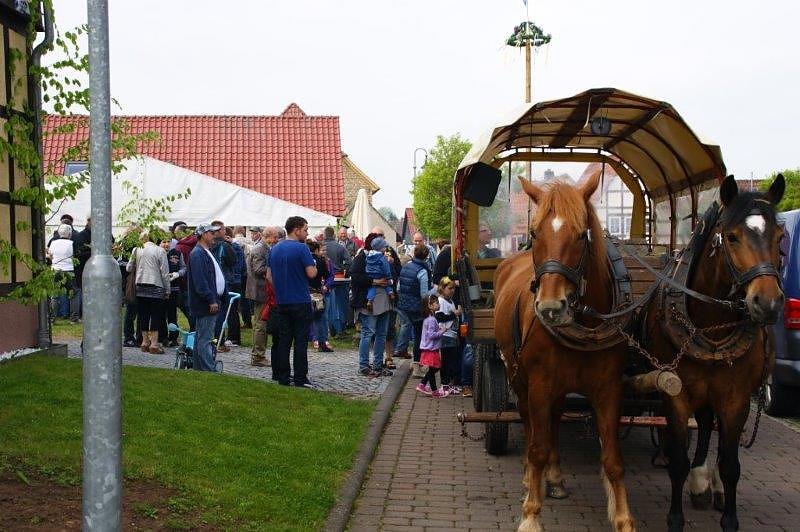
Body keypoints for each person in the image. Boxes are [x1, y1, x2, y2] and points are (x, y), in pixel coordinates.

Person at [267, 216, 317, 387]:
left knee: (283, 341)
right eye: (305, 229)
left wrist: (281, 287)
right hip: (301, 300)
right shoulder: (302, 249)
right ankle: (300, 378)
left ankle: (283, 376)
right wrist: (316, 268)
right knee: (301, 341)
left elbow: (269, 276)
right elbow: (311, 273)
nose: (307, 232)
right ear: (296, 230)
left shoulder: (274, 249)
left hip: (282, 301)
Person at [350, 232, 394, 377]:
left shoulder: (383, 257)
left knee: (381, 334)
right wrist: (374, 281)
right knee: (367, 333)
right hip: (367, 301)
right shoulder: (361, 258)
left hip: (384, 300)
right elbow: (356, 278)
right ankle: (363, 365)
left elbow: (392, 274)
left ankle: (377, 365)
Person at [187, 223, 224, 371]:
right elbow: (200, 281)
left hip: (209, 301)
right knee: (205, 339)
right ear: (203, 235)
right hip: (205, 303)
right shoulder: (198, 254)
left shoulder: (205, 251)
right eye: (211, 233)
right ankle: (209, 369)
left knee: (201, 338)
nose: (214, 235)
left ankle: (199, 368)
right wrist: (211, 299)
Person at [126, 230, 170, 354]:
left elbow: (129, 267)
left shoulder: (137, 249)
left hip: (140, 285)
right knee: (156, 314)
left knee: (143, 314)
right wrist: (167, 289)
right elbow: (164, 273)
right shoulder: (160, 251)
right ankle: (154, 344)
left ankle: (145, 342)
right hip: (156, 286)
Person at [397, 244, 433, 378]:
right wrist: (436, 290)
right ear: (427, 256)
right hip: (417, 307)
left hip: (403, 304)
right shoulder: (423, 271)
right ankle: (417, 365)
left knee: (406, 328)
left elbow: (399, 286)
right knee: (419, 336)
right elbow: (424, 294)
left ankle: (411, 358)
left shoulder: (406, 266)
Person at [246, 226, 273, 367]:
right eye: (274, 237)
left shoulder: (262, 248)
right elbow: (258, 269)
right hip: (260, 291)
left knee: (260, 324)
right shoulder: (260, 249)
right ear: (268, 236)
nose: (276, 240)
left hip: (260, 291)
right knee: (260, 325)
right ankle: (258, 356)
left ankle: (258, 354)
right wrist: (274, 268)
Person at [210, 222, 238, 350]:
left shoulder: (207, 245)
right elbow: (233, 262)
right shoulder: (225, 246)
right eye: (223, 229)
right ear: (219, 231)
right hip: (224, 282)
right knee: (222, 314)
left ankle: (213, 340)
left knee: (211, 314)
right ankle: (219, 342)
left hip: (210, 283)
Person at [416, 294, 450, 398]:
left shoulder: (431, 318)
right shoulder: (431, 320)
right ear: (430, 306)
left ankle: (422, 384)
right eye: (436, 302)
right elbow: (431, 335)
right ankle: (434, 390)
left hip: (431, 348)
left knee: (434, 368)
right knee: (434, 368)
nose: (438, 304)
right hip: (430, 348)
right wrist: (442, 331)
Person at [47, 223, 79, 320]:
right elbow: (74, 256)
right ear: (69, 233)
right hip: (68, 270)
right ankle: (74, 317)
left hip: (55, 269)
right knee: (74, 293)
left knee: (54, 295)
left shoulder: (53, 242)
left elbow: (50, 256)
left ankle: (53, 317)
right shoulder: (71, 243)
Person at [436, 276, 462, 393]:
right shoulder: (440, 301)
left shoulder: (451, 301)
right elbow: (440, 317)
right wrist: (454, 314)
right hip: (445, 334)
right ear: (442, 288)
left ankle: (450, 383)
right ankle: (444, 383)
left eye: (453, 288)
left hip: (453, 334)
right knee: (446, 360)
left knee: (453, 359)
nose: (452, 290)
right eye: (449, 288)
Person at [323, 226, 350, 336]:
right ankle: (341, 329)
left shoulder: (321, 247)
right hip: (339, 277)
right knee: (342, 304)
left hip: (325, 279)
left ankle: (330, 330)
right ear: (334, 235)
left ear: (325, 235)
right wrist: (344, 270)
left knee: (328, 305)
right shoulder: (340, 247)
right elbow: (349, 261)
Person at [307, 240, 334, 352]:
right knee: (320, 318)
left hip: (304, 292)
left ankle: (308, 339)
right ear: (317, 250)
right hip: (317, 293)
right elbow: (327, 275)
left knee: (305, 318)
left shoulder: (302, 261)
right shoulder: (321, 261)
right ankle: (322, 341)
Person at [165, 241, 187, 346]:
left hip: (174, 288)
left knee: (172, 314)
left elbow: (183, 268)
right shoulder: (158, 252)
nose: (166, 244)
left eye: (168, 241)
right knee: (160, 314)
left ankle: (173, 337)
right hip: (161, 289)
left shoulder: (177, 253)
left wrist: (177, 274)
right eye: (163, 241)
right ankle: (162, 337)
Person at [365, 237, 394, 312]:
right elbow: (386, 268)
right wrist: (389, 277)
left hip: (370, 275)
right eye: (384, 247)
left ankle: (370, 300)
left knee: (371, 288)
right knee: (387, 283)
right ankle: (391, 293)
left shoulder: (368, 256)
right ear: (381, 248)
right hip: (380, 274)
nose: (385, 248)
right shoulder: (382, 258)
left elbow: (366, 264)